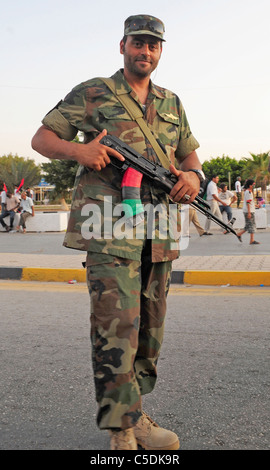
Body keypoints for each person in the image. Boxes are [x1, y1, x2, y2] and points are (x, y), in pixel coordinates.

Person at [31, 14, 205, 451]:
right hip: (108, 229)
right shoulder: (94, 92)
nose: (145, 51)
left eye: (153, 45)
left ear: (160, 51)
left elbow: (191, 159)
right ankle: (120, 430)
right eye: (138, 43)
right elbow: (42, 139)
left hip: (160, 231)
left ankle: (138, 414)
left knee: (150, 329)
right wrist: (81, 150)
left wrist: (193, 180)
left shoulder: (171, 102)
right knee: (117, 328)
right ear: (122, 45)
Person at [237, 179, 260, 244]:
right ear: (250, 185)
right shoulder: (248, 192)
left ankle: (239, 234)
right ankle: (251, 240)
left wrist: (255, 205)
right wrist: (249, 213)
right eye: (253, 185)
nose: (253, 186)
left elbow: (250, 202)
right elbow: (248, 203)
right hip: (249, 211)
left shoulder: (248, 192)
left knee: (248, 225)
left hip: (249, 210)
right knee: (251, 225)